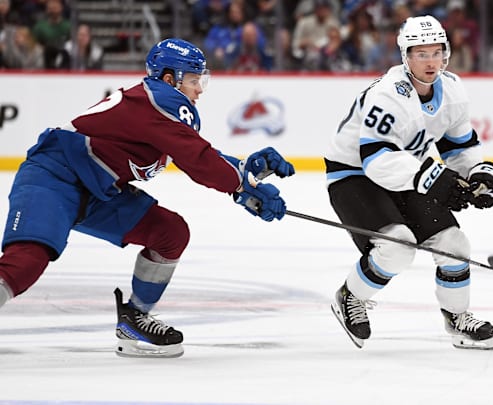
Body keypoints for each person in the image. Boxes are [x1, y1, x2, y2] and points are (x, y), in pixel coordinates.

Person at [0, 38, 294, 358]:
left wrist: (244, 171)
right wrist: (241, 186)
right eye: (194, 80)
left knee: (170, 232)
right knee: (27, 260)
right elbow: (196, 158)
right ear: (170, 78)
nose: (200, 89)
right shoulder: (161, 99)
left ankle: (135, 318)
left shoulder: (157, 105)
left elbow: (192, 150)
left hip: (100, 193)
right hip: (53, 179)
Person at [324, 15, 493, 350]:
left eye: (436, 52)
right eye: (421, 54)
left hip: (406, 173)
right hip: (354, 175)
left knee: (454, 244)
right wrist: (436, 179)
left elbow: (459, 147)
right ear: (405, 56)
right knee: (396, 246)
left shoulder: (452, 90)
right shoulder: (388, 95)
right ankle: (350, 297)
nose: (430, 61)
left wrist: (478, 174)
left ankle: (458, 318)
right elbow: (376, 161)